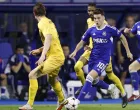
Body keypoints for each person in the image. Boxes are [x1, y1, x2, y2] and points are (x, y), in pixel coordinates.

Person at [69, 8, 133, 109]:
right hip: (93, 58)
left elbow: (122, 37)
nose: (97, 20)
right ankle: (110, 87)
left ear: (103, 18)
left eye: (98, 18)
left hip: (104, 59)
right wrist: (75, 51)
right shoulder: (91, 30)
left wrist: (128, 52)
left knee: (89, 77)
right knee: (94, 81)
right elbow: (82, 42)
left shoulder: (110, 29)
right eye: (95, 18)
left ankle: (76, 101)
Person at [19, 3, 67, 110]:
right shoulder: (49, 22)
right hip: (57, 56)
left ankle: (29, 105)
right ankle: (62, 100)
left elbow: (49, 38)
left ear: (34, 13)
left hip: (54, 57)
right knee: (52, 81)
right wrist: (40, 50)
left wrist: (42, 56)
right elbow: (52, 41)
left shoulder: (41, 23)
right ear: (44, 12)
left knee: (32, 75)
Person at [117, 15, 138, 86]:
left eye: (131, 21)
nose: (129, 22)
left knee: (135, 75)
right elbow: (118, 43)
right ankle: (122, 94)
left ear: (133, 22)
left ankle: (136, 93)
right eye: (128, 21)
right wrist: (120, 56)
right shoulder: (122, 31)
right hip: (125, 56)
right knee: (123, 74)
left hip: (135, 56)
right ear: (126, 22)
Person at [124, 21, 140, 102]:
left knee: (132, 67)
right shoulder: (137, 24)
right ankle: (136, 92)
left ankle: (136, 92)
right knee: (132, 68)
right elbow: (131, 34)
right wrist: (127, 32)